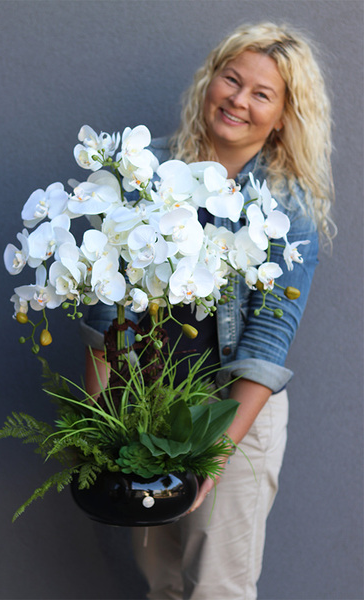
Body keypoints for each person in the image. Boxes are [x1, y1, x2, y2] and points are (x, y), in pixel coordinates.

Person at [81, 21, 335, 600]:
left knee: (216, 588)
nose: (239, 100)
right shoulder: (144, 174)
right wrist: (98, 422)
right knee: (161, 582)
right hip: (143, 410)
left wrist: (214, 460)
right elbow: (104, 314)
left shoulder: (286, 210)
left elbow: (265, 350)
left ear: (284, 115)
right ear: (211, 80)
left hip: (232, 415)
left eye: (262, 93)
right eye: (232, 78)